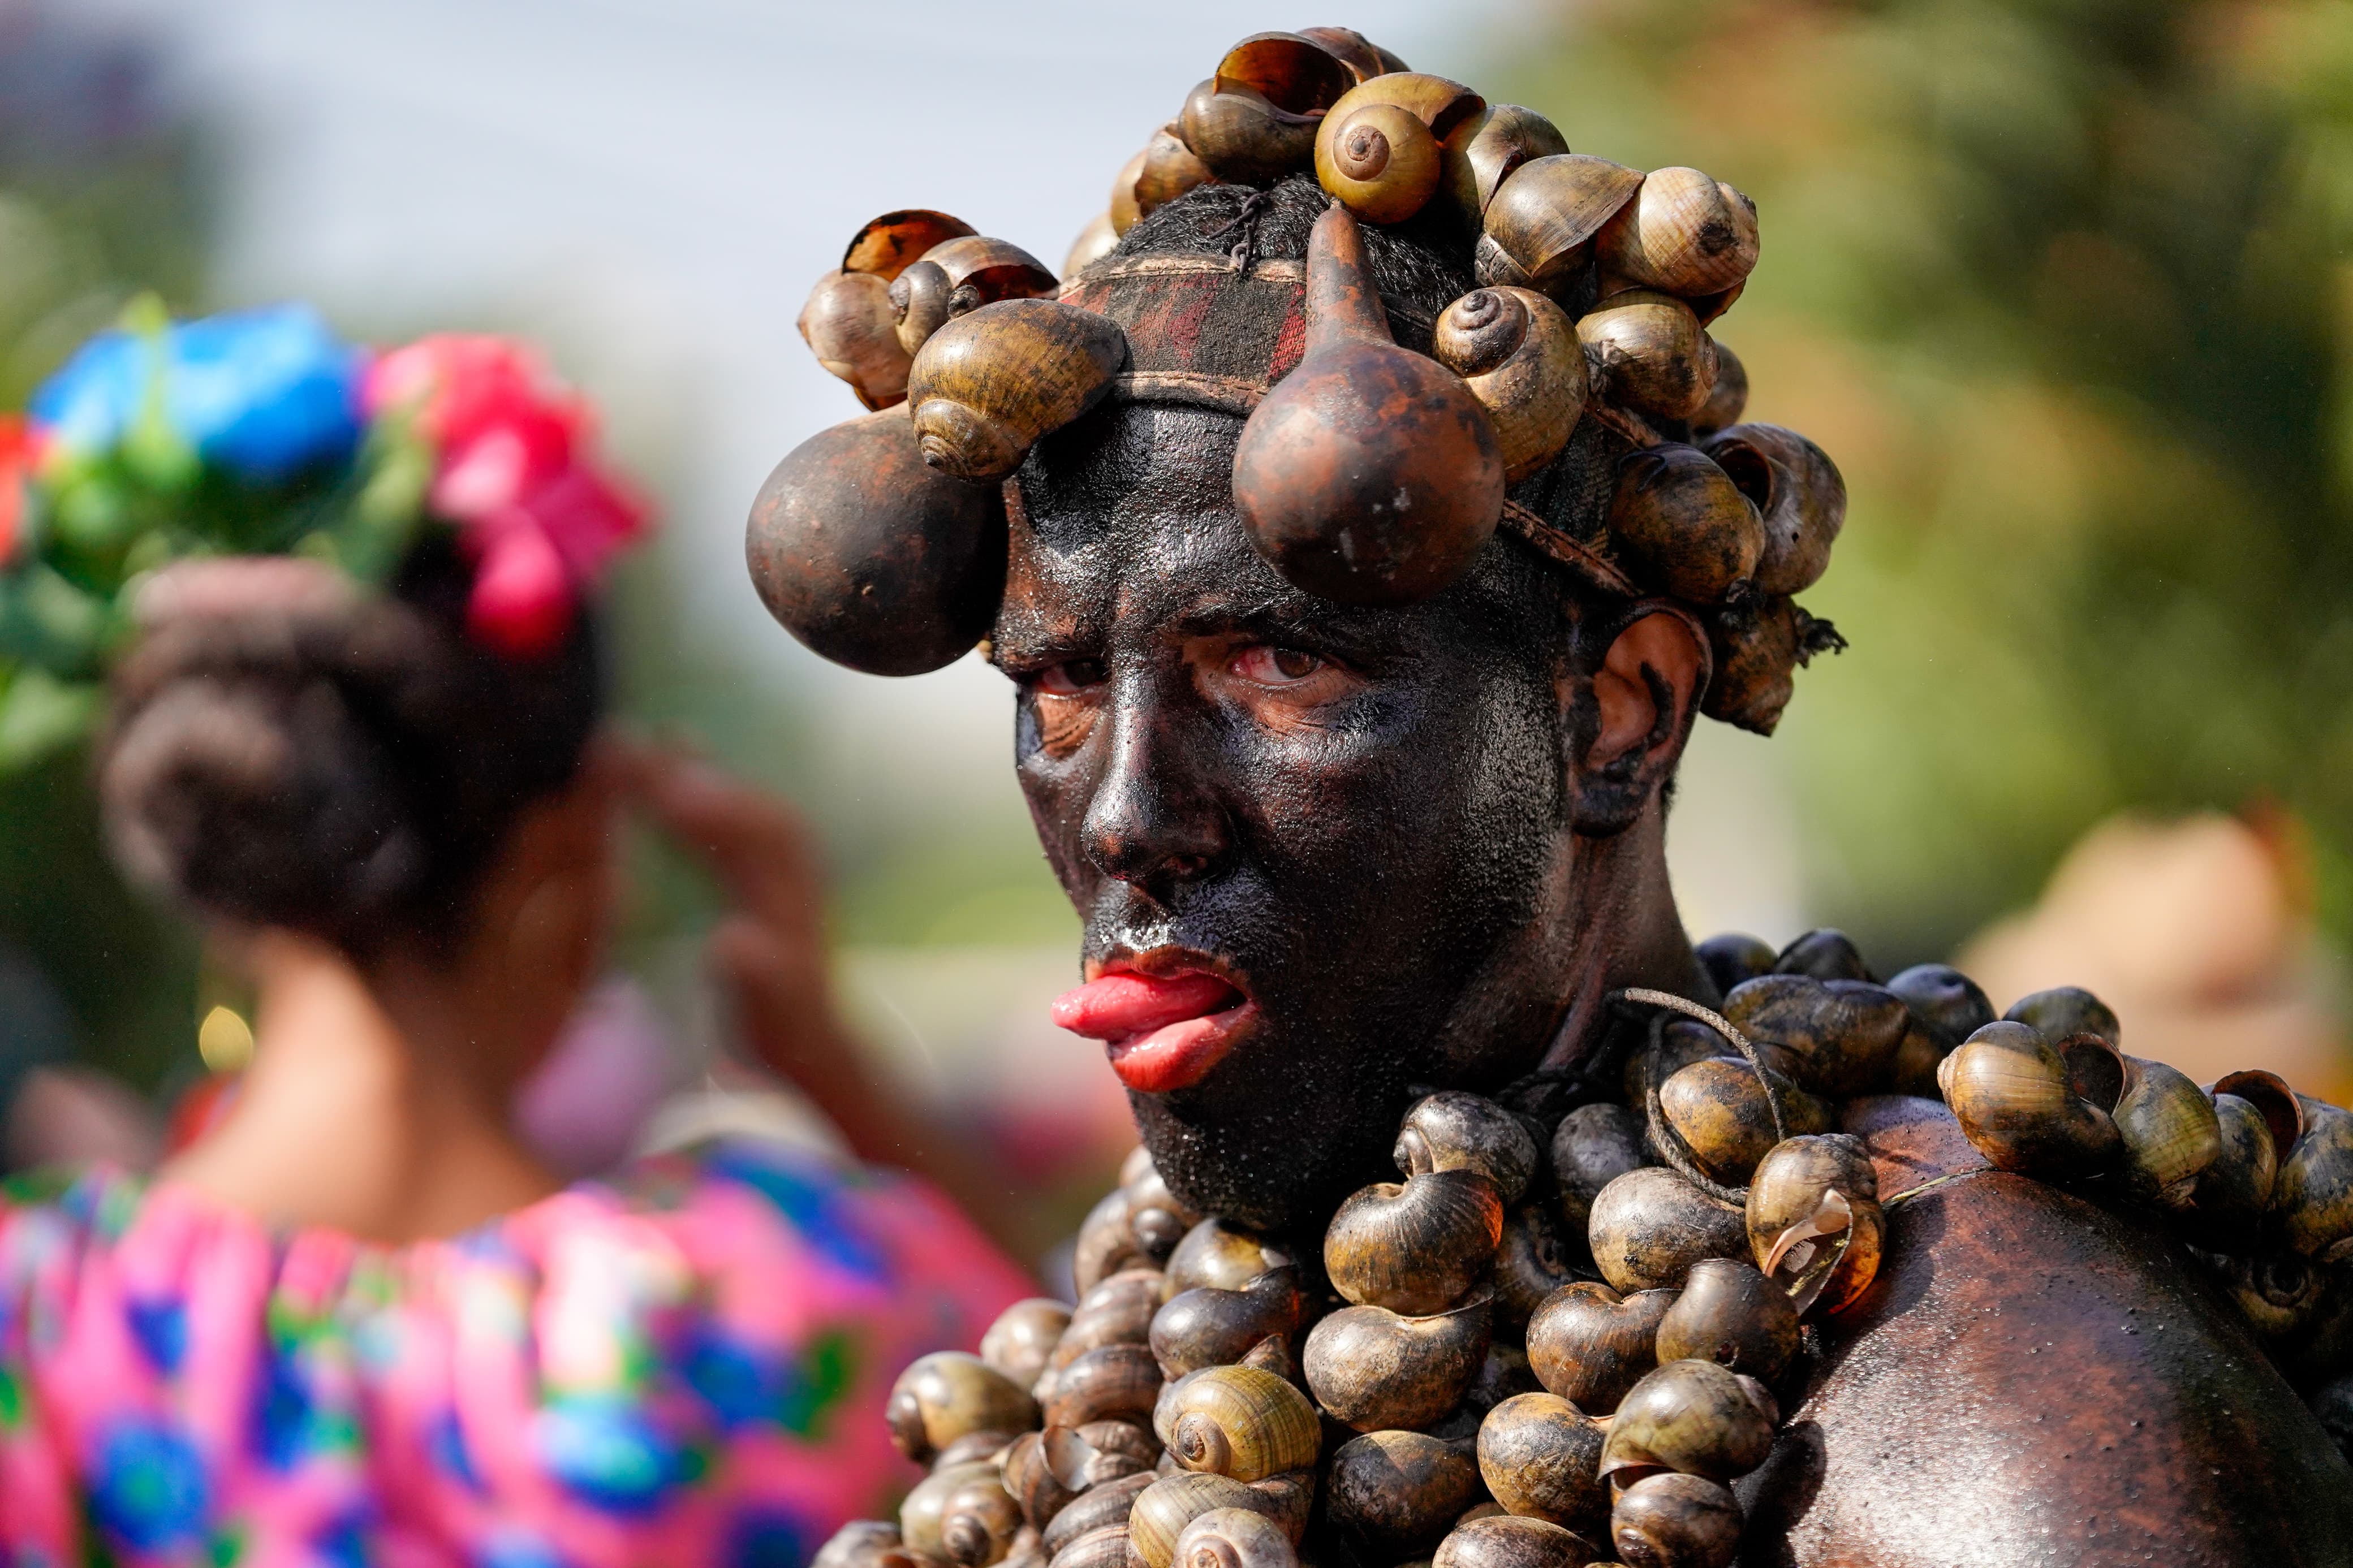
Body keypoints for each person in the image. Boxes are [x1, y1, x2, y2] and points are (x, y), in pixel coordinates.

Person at [749, 28, 2353, 1566]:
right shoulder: (1120, 1359)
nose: (1123, 815)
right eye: (1057, 688)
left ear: (1618, 715)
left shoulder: (1981, 1393)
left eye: (1275, 665)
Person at [0, 307, 1033, 1563]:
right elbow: (1064, 1402)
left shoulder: (39, 1320)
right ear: (572, 839)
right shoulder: (778, 1300)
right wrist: (833, 1064)